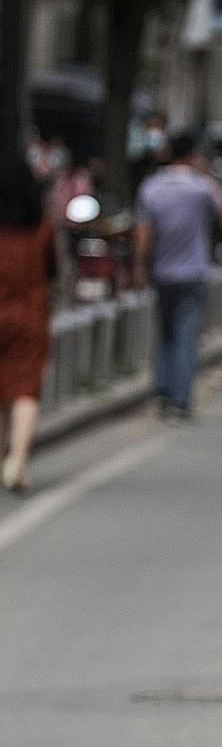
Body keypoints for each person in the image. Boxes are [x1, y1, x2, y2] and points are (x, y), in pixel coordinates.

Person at [132, 133, 222, 423]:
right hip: (193, 271)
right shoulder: (200, 188)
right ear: (193, 155)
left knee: (165, 331)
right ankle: (180, 399)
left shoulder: (152, 186)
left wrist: (139, 266)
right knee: (186, 335)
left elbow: (143, 232)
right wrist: (207, 173)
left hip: (162, 271)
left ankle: (163, 392)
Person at [0, 155, 55, 494]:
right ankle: (16, 460)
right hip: (30, 317)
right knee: (24, 390)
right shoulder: (42, 229)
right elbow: (52, 270)